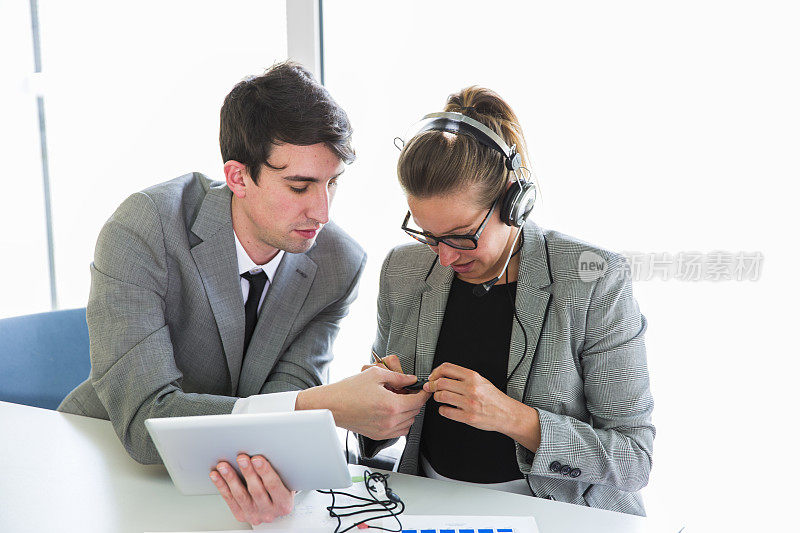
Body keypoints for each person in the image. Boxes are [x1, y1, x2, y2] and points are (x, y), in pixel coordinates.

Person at [58, 61, 428, 526]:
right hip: (103, 462)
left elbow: (285, 397)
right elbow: (146, 423)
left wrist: (279, 462)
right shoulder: (144, 228)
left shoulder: (338, 262)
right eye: (300, 186)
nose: (323, 211)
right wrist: (327, 406)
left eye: (333, 183)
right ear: (237, 178)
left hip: (230, 478)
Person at [359, 86, 655, 515]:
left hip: (557, 511)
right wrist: (375, 415)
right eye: (428, 235)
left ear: (514, 202)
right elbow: (381, 431)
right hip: (430, 505)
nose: (444, 257)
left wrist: (514, 419)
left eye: (461, 236)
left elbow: (633, 459)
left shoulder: (593, 280)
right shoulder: (403, 271)